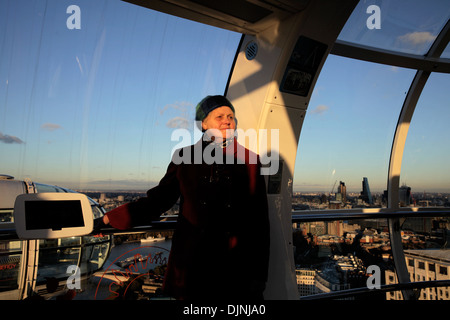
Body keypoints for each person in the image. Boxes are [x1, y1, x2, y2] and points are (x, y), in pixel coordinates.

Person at [99, 95, 270, 300]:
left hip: (236, 266)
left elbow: (260, 221)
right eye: (220, 116)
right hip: (195, 264)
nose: (227, 120)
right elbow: (158, 200)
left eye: (231, 116)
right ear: (204, 124)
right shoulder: (185, 157)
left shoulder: (251, 161)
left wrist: (259, 276)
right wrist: (110, 219)